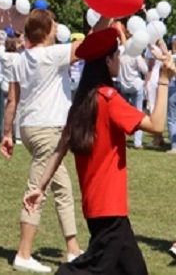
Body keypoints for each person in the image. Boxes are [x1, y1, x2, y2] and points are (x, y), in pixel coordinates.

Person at [24, 28, 175, 274]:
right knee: (93, 269)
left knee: (134, 270)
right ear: (107, 61)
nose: (120, 60)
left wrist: (40, 187)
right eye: (116, 55)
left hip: (97, 206)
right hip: (110, 208)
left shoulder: (82, 102)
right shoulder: (108, 99)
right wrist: (164, 79)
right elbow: (157, 126)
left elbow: (60, 149)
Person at [1, 9, 83, 272]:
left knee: (63, 188)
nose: (57, 27)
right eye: (54, 24)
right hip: (48, 130)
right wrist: (107, 18)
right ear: (47, 32)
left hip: (30, 127)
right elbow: (88, 46)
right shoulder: (52, 54)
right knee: (37, 191)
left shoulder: (19, 59)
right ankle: (24, 254)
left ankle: (73, 249)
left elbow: (12, 100)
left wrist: (6, 133)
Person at [116, 25, 147, 150]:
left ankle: (121, 138)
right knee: (138, 113)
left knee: (122, 114)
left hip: (123, 85)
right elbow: (144, 69)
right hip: (135, 85)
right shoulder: (136, 54)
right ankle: (137, 142)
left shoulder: (120, 52)